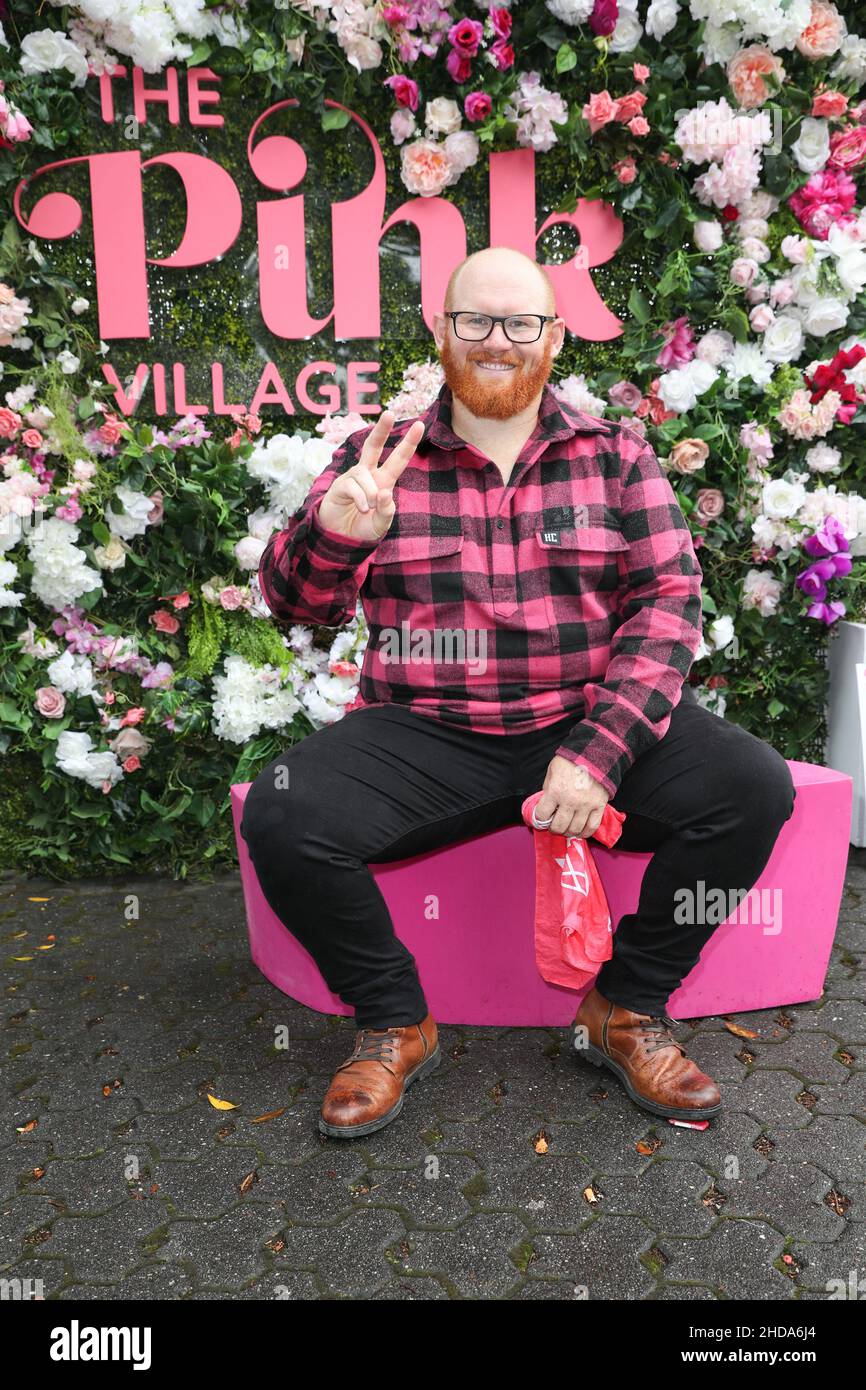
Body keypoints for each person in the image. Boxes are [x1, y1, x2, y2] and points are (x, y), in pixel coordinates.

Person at [241, 245, 796, 1139]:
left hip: (583, 717)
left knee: (751, 790)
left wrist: (599, 752)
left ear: (553, 337)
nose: (496, 340)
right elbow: (297, 608)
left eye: (519, 322)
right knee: (282, 814)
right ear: (441, 329)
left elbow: (667, 605)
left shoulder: (614, 454)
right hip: (428, 729)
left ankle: (624, 1007)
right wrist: (336, 535)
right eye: (475, 320)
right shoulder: (379, 454)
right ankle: (392, 1020)